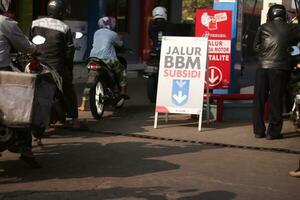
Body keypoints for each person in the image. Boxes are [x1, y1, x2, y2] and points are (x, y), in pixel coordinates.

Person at [0, 0, 41, 168]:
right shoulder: (5, 23)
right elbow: (25, 45)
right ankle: (26, 149)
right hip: (3, 72)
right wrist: (36, 50)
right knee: (23, 103)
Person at [30, 0, 80, 129]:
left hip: (35, 64)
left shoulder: (34, 23)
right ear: (61, 12)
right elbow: (69, 52)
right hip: (55, 66)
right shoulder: (64, 27)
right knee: (68, 88)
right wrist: (69, 68)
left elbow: (28, 43)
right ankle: (74, 120)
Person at [252, 4, 300, 140]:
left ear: (270, 15)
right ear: (284, 15)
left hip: (262, 67)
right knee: (276, 99)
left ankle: (258, 131)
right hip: (280, 68)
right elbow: (296, 44)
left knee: (259, 99)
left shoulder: (262, 28)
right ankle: (273, 133)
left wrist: (266, 52)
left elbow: (255, 48)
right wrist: (288, 51)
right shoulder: (291, 28)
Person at [78, 16, 128, 111]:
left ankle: (83, 105)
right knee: (121, 70)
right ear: (111, 24)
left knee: (89, 81)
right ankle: (123, 91)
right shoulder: (113, 34)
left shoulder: (96, 33)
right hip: (107, 59)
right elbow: (120, 44)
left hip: (93, 58)